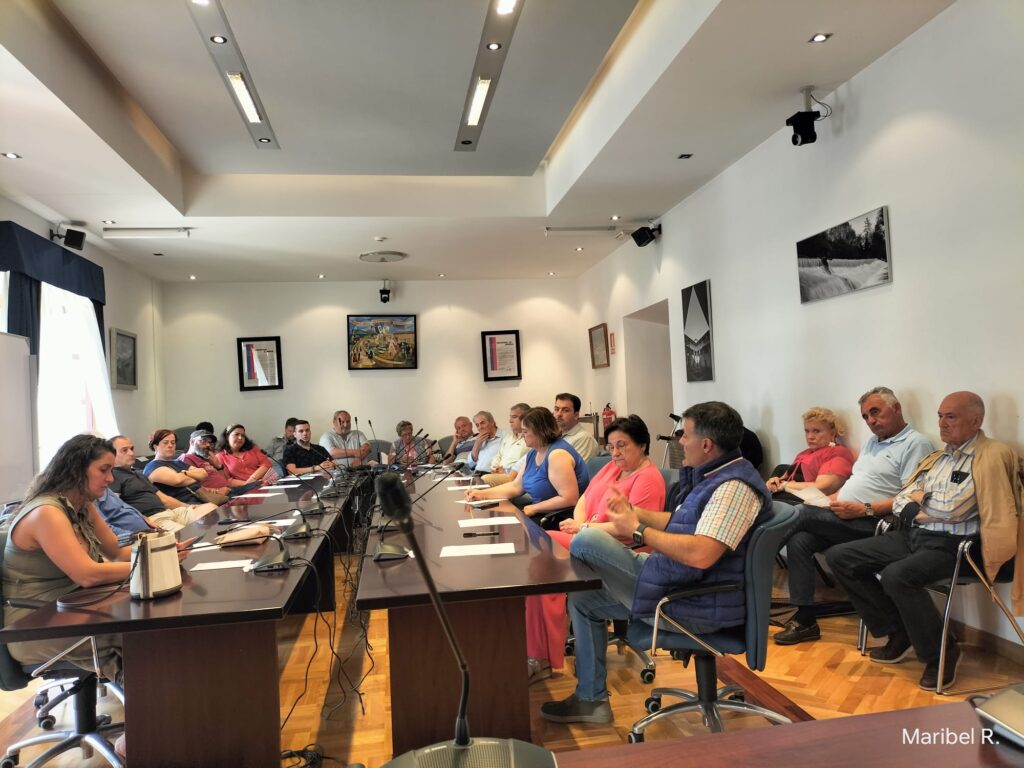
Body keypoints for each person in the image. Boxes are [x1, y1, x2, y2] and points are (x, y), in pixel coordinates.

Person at [540, 402, 770, 724]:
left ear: (706, 444)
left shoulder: (733, 488)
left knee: (586, 540)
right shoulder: (714, 477)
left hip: (693, 601)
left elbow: (702, 554)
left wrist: (636, 529)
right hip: (675, 582)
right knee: (584, 599)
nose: (680, 441)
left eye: (685, 435)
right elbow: (679, 521)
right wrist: (635, 514)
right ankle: (591, 700)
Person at [827, 391, 1023, 691]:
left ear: (976, 421)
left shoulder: (990, 455)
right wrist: (919, 503)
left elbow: (953, 509)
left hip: (957, 546)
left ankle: (940, 653)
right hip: (916, 535)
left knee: (897, 576)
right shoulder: (939, 458)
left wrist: (918, 502)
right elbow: (903, 497)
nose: (942, 423)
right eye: (940, 416)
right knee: (841, 557)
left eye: (951, 417)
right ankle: (899, 631)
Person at [2, 435, 187, 683]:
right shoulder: (46, 513)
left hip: (73, 607)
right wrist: (153, 564)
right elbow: (88, 575)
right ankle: (156, 698)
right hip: (36, 624)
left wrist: (161, 552)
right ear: (76, 469)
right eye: (103, 470)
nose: (110, 478)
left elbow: (116, 552)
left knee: (155, 622)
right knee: (143, 638)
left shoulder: (82, 504)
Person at [774, 387, 934, 645]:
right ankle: (805, 620)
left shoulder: (915, 443)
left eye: (875, 412)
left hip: (874, 521)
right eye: (866, 416)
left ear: (896, 408)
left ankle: (745, 572)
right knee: (800, 539)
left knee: (800, 513)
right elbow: (853, 486)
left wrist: (864, 509)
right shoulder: (872, 443)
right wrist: (828, 501)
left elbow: (909, 497)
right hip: (845, 516)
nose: (871, 420)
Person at [527, 415, 666, 683]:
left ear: (642, 445)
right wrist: (580, 524)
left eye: (622, 445)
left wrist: (584, 528)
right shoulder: (612, 468)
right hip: (587, 538)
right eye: (611, 446)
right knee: (539, 557)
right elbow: (584, 498)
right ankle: (539, 649)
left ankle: (541, 654)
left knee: (543, 555)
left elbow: (630, 528)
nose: (615, 453)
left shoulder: (648, 478)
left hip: (618, 551)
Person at [465, 407, 589, 519]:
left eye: (525, 431)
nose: (522, 435)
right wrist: (481, 494)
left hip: (558, 519)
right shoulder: (533, 452)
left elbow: (569, 499)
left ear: (539, 431)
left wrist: (535, 508)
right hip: (541, 514)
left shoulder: (557, 455)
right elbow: (516, 487)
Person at [766, 407, 854, 498]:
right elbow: (786, 478)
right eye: (807, 431)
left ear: (832, 433)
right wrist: (775, 481)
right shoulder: (805, 453)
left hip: (807, 500)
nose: (810, 436)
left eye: (816, 431)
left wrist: (785, 485)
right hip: (788, 495)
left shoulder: (837, 453)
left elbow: (822, 488)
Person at [143, 429, 212, 505]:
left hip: (201, 499)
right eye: (165, 442)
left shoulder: (178, 462)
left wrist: (185, 473)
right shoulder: (152, 466)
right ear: (155, 446)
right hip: (184, 506)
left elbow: (203, 474)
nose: (170, 445)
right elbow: (178, 481)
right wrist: (196, 476)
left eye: (173, 442)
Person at [482, 403, 530, 486]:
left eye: (514, 417)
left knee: (484, 479)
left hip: (514, 476)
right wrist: (495, 467)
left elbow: (525, 463)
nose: (510, 421)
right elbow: (499, 455)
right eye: (510, 417)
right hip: (498, 473)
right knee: (478, 482)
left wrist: (506, 471)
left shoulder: (530, 439)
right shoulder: (508, 437)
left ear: (525, 418)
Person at [553, 393, 599, 461]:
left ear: (576, 415)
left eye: (565, 410)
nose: (558, 414)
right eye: (556, 409)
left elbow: (576, 468)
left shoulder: (584, 439)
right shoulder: (558, 435)